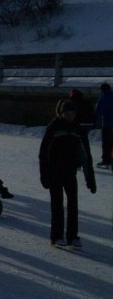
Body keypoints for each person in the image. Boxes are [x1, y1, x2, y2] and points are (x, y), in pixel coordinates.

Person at [39, 99, 97, 248]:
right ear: (61, 113)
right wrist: (44, 174)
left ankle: (73, 237)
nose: (70, 116)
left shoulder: (78, 129)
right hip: (54, 172)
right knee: (57, 205)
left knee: (73, 204)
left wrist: (90, 179)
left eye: (72, 114)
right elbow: (44, 153)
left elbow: (85, 155)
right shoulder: (54, 128)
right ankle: (57, 236)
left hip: (70, 172)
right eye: (67, 114)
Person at [95, 82, 113, 168]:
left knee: (106, 143)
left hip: (107, 124)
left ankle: (106, 160)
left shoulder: (102, 98)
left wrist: (96, 121)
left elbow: (98, 111)